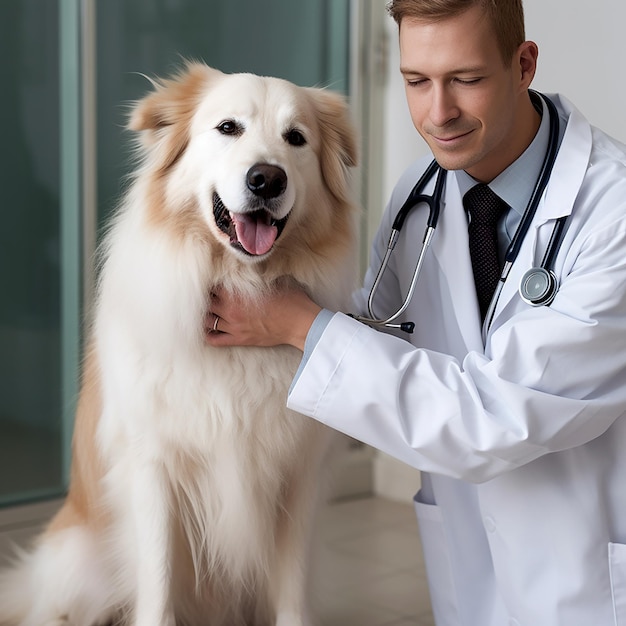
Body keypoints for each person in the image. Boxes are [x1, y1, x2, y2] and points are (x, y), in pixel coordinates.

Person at [206, 0, 626, 623]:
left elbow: (493, 420)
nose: (439, 113)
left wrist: (300, 325)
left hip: (585, 573)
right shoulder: (417, 198)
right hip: (470, 568)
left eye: (467, 79)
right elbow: (379, 329)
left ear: (524, 65)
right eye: (416, 81)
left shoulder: (611, 213)